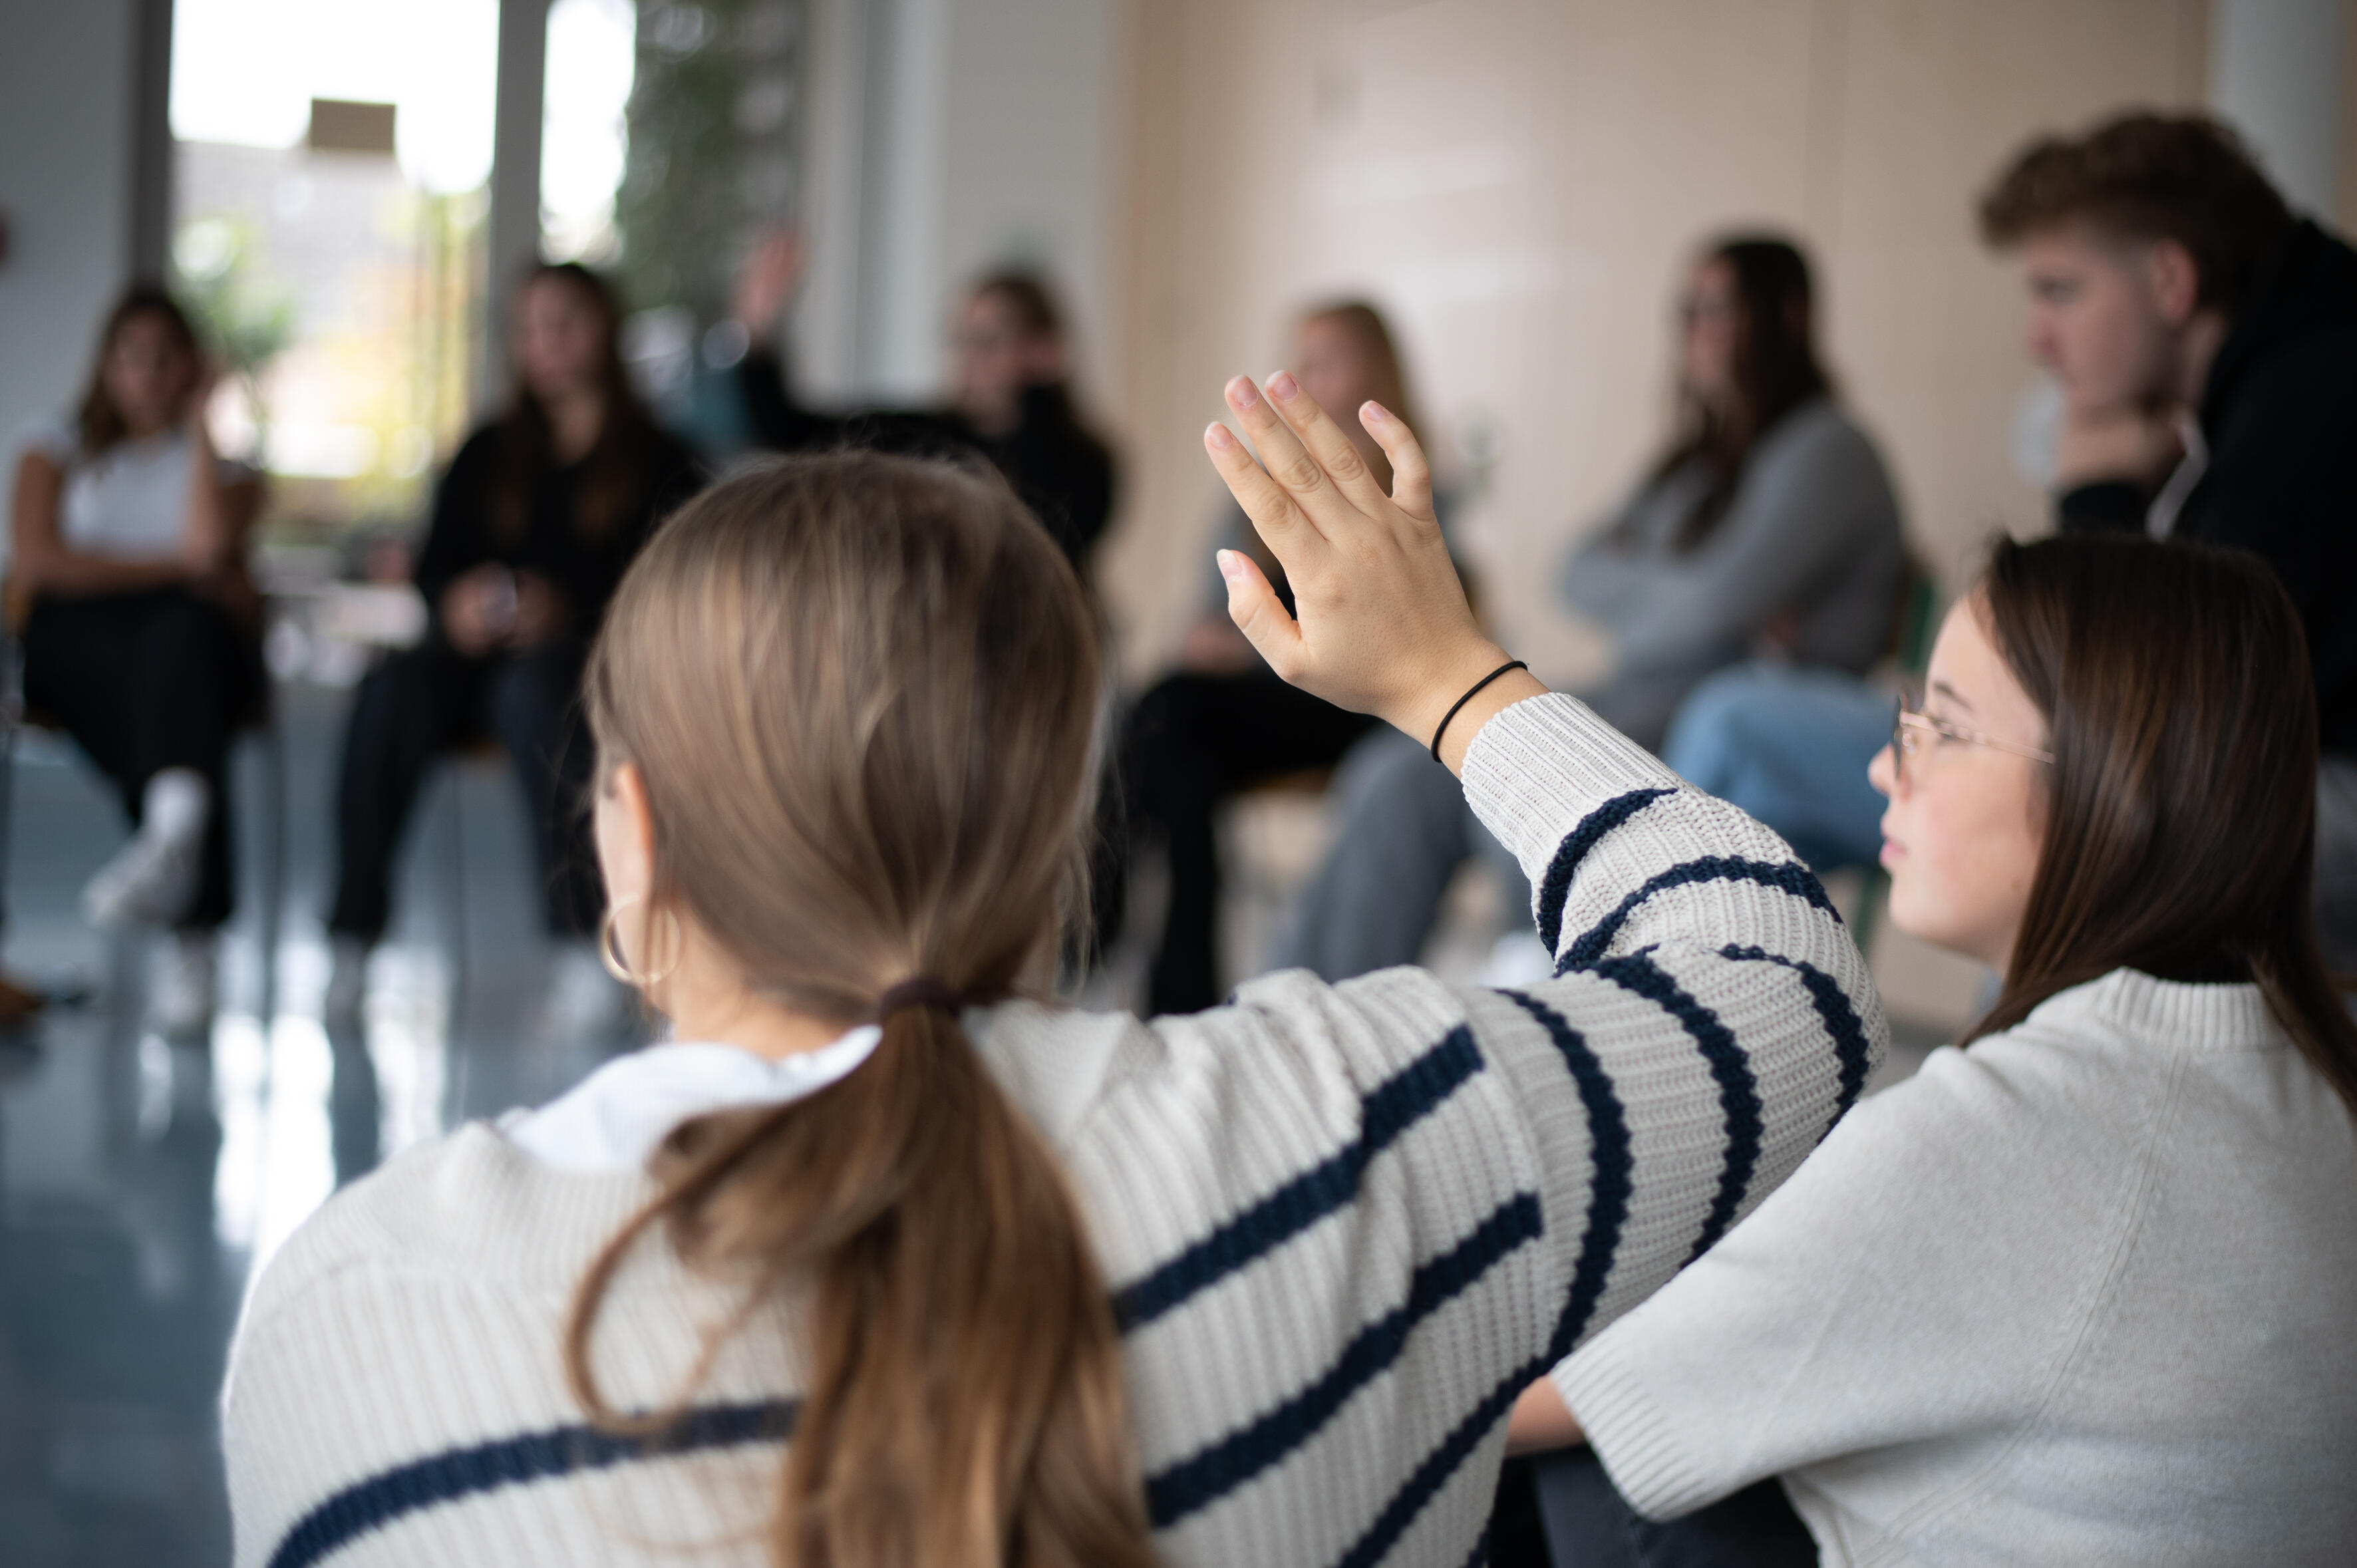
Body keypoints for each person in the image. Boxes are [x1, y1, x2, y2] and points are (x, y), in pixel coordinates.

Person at [222, 373, 1885, 1567]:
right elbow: (1780, 973)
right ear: (1052, 837)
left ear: (630, 832)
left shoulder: (349, 1321)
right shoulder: (1358, 1133)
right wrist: (1453, 676)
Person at [1509, 534, 2357, 1565]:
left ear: (2112, 784)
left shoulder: (2013, 1138)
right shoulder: (2313, 1071)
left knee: (1544, 1441)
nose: (1882, 763)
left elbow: (1543, 1393)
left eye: (1939, 727)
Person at [1666, 113, 2357, 967]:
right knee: (1745, 753)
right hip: (2255, 785)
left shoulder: (2305, 409)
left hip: (2305, 807)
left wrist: (2097, 498)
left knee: (1755, 731)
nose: (2037, 335)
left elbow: (2134, 708)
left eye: (2060, 290)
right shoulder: (2269, 389)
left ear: (2173, 280)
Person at [1285, 237, 1906, 984]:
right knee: (1397, 771)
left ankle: (1542, 982)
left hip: (1738, 720)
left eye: (1722, 308)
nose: (1698, 330)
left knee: (1518, 738)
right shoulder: (1694, 466)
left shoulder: (1828, 450)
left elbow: (1710, 607)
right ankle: (1308, 1009)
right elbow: (1575, 571)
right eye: (1689, 310)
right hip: (1645, 699)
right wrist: (1704, 592)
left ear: (1786, 316)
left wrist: (1693, 596)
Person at [324, 263, 701, 1026]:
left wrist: (571, 611)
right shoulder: (489, 449)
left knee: (536, 693)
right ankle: (352, 938)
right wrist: (454, 602)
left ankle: (581, 941)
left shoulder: (661, 459)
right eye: (532, 326)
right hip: (474, 660)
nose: (548, 341)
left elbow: (679, 590)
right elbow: (436, 567)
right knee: (391, 687)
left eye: (566, 321)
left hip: (591, 668)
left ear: (606, 329)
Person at [1112, 301, 1430, 1014]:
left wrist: (1247, 646)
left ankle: (1116, 936)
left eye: (1328, 359)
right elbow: (1212, 601)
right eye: (1301, 359)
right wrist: (1215, 639)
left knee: (1167, 713)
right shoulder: (1264, 485)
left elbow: (1391, 625)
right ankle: (1176, 982)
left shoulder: (1400, 485)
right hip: (1254, 696)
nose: (1306, 378)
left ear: (1374, 371)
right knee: (1179, 742)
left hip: (1347, 699)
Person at [7, 285, 265, 1031]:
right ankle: (184, 870)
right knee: (179, 673)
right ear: (106, 363)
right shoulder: (52, 444)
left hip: (175, 650)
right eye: (132, 356)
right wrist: (170, 569)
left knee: (183, 640)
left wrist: (201, 428)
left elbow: (211, 548)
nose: (147, 374)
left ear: (191, 368)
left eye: (166, 359)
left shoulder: (228, 467)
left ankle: (171, 833)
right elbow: (40, 564)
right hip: (78, 651)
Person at [731, 231, 1117, 573]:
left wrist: (1038, 395)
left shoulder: (1085, 460)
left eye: (989, 341)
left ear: (1043, 350)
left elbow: (1047, 540)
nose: (969, 358)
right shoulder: (923, 438)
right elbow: (790, 432)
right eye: (961, 339)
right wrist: (758, 330)